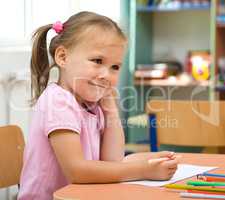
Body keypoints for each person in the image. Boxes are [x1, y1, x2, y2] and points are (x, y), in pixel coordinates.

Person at [18, 11, 178, 200]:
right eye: (97, 61)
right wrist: (143, 170)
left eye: (115, 67)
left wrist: (110, 108)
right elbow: (77, 171)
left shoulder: (92, 105)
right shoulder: (58, 101)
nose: (106, 75)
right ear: (63, 57)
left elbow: (112, 160)